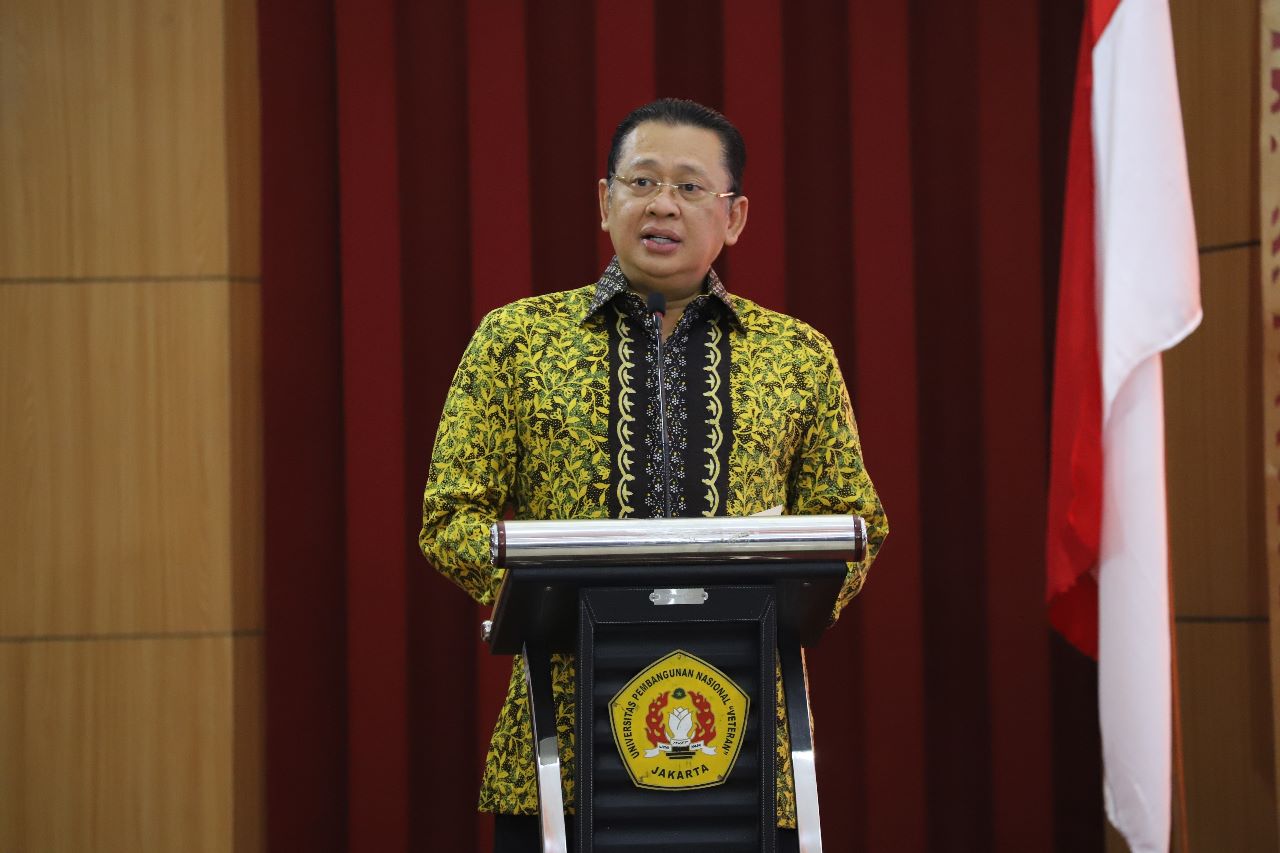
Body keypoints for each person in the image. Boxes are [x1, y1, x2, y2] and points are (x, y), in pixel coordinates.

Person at [420, 98, 887, 852]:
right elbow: (449, 518)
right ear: (605, 202)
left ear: (734, 216)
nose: (662, 204)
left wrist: (783, 586)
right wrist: (549, 586)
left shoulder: (797, 355)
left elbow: (856, 523)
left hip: (743, 740)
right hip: (560, 752)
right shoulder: (516, 341)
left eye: (690, 187)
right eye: (641, 182)